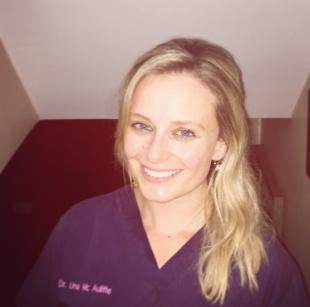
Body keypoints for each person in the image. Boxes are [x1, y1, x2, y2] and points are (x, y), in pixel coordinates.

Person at [17, 38, 310, 306]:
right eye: (142, 126)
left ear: (221, 145)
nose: (154, 153)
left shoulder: (263, 265)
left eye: (183, 132)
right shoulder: (79, 227)